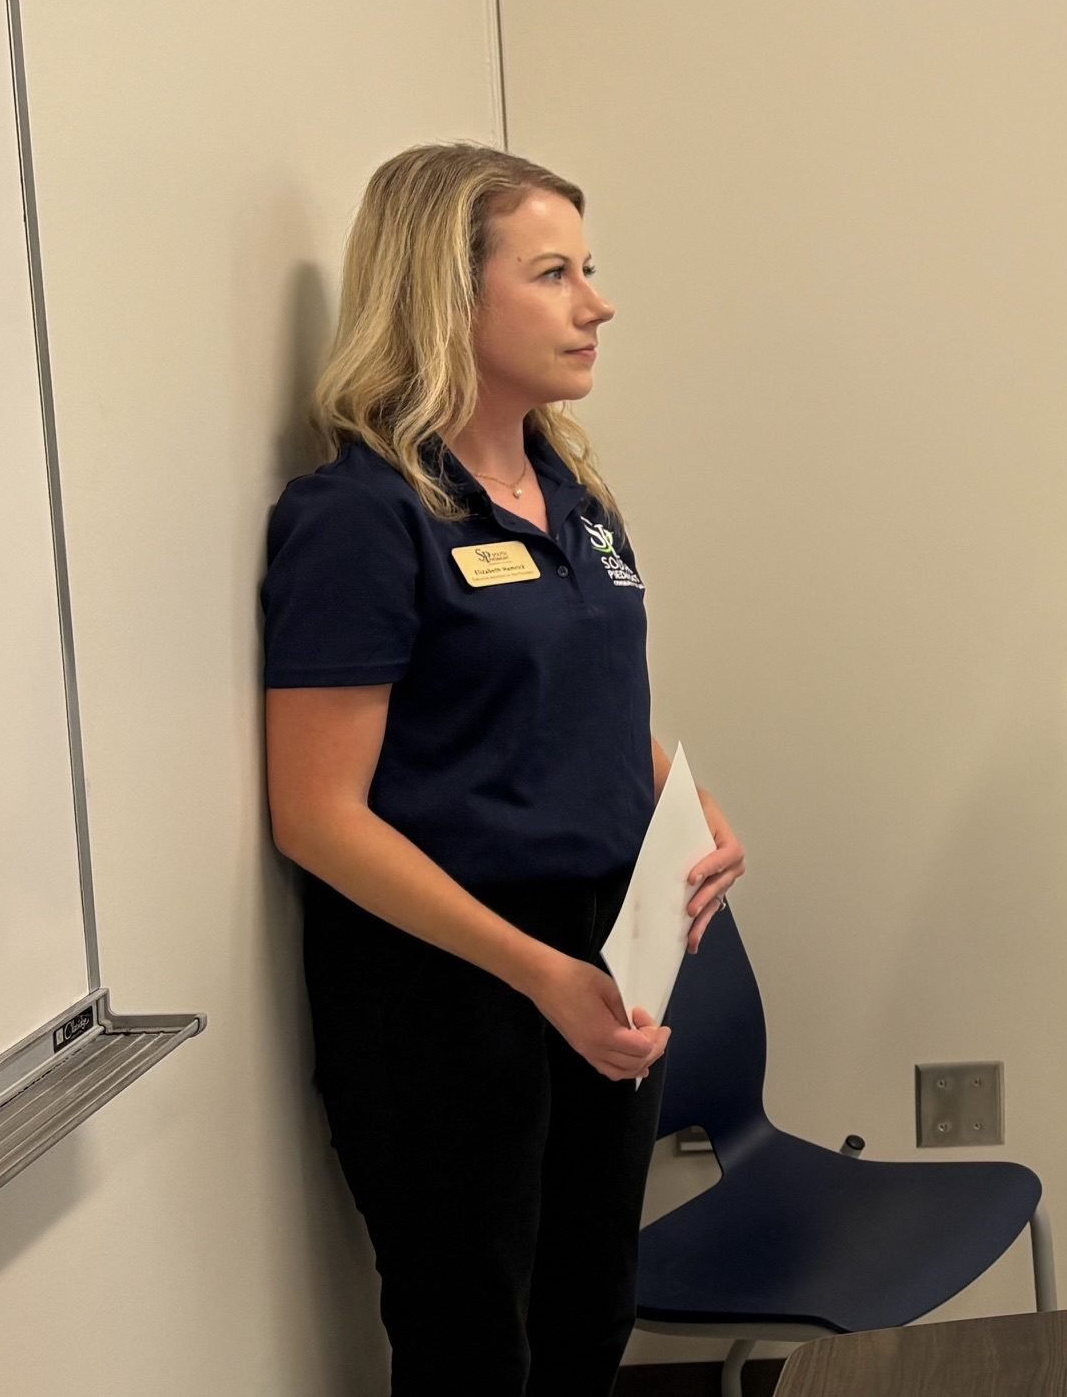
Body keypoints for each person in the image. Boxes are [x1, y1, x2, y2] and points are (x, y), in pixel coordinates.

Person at [262, 143, 745, 1395]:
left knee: (590, 1315)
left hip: (600, 948)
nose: (598, 302)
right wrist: (537, 972)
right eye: (553, 273)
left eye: (590, 268)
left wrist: (683, 803)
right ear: (446, 296)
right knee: (476, 1341)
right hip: (447, 983)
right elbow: (317, 815)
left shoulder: (571, 487)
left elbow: (584, 684)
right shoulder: (361, 517)